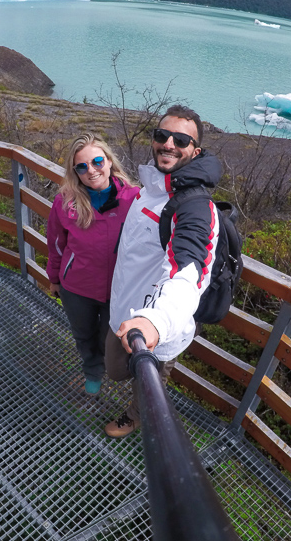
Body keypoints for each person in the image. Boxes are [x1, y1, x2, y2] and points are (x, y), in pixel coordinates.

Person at [104, 105, 222, 437]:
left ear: (195, 151)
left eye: (181, 140)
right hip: (125, 310)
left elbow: (188, 274)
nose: (169, 144)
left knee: (151, 376)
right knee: (115, 369)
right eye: (162, 135)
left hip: (158, 327)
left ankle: (137, 414)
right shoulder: (153, 187)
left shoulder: (196, 208)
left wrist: (156, 321)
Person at [47, 134, 139, 395]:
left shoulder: (134, 199)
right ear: (75, 172)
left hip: (119, 291)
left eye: (97, 161)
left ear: (109, 161)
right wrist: (54, 278)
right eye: (82, 166)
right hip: (77, 288)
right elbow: (55, 244)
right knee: (84, 336)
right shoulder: (65, 202)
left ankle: (109, 371)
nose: (91, 170)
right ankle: (92, 372)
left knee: (108, 339)